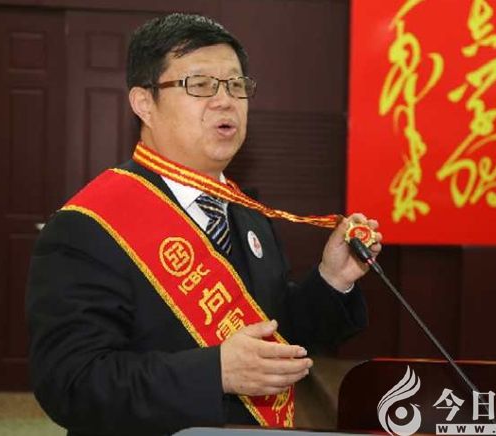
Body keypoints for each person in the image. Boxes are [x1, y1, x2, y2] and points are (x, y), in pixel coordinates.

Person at [26, 13, 382, 436]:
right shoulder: (88, 226)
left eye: (235, 85)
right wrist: (214, 373)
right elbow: (72, 384)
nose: (225, 100)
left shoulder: (248, 212)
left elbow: (277, 333)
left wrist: (332, 279)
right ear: (144, 103)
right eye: (199, 85)